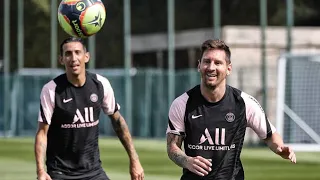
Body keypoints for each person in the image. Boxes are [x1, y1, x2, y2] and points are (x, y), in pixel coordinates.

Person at [166, 39, 296, 180]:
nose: (211, 67)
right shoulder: (182, 104)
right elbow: (172, 147)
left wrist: (280, 148)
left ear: (229, 68)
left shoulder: (244, 103)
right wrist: (187, 161)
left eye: (218, 63)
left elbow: (270, 135)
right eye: (206, 61)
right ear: (199, 65)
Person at [34, 37, 144, 180]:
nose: (73, 58)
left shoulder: (101, 84)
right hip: (60, 173)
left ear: (86, 56)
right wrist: (41, 170)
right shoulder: (51, 90)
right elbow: (42, 133)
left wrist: (134, 160)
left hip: (94, 172)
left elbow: (118, 122)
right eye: (68, 54)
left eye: (77, 52)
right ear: (61, 59)